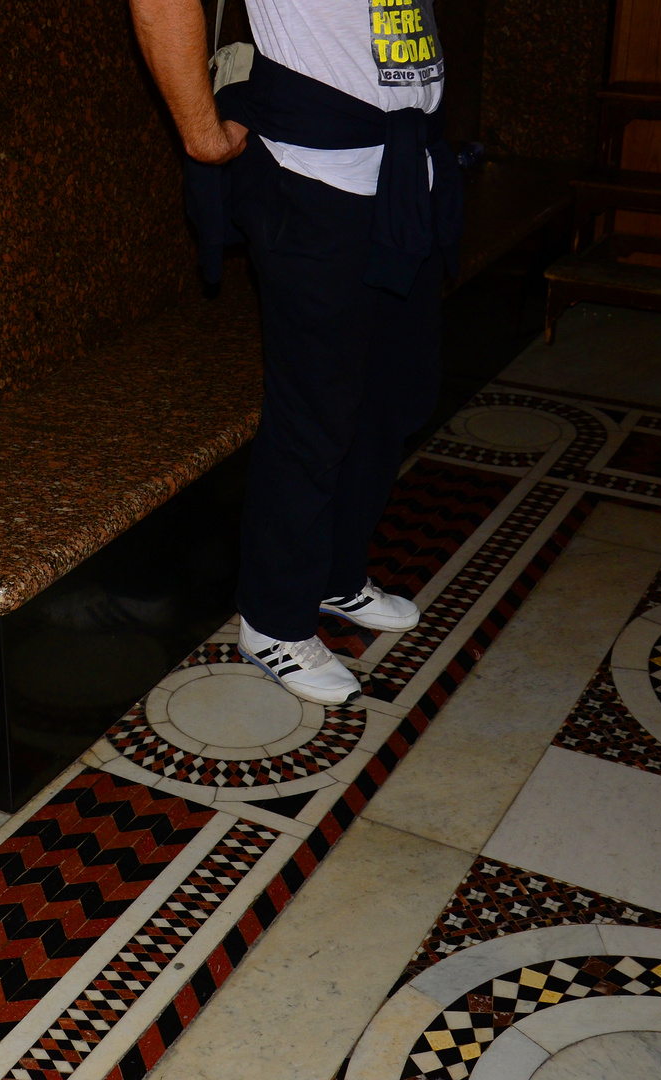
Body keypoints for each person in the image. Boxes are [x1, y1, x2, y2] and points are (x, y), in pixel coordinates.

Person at [130, 0, 462, 705]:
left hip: (407, 171)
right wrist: (199, 133)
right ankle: (273, 620)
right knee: (314, 409)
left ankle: (336, 575)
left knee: (394, 395)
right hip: (313, 179)